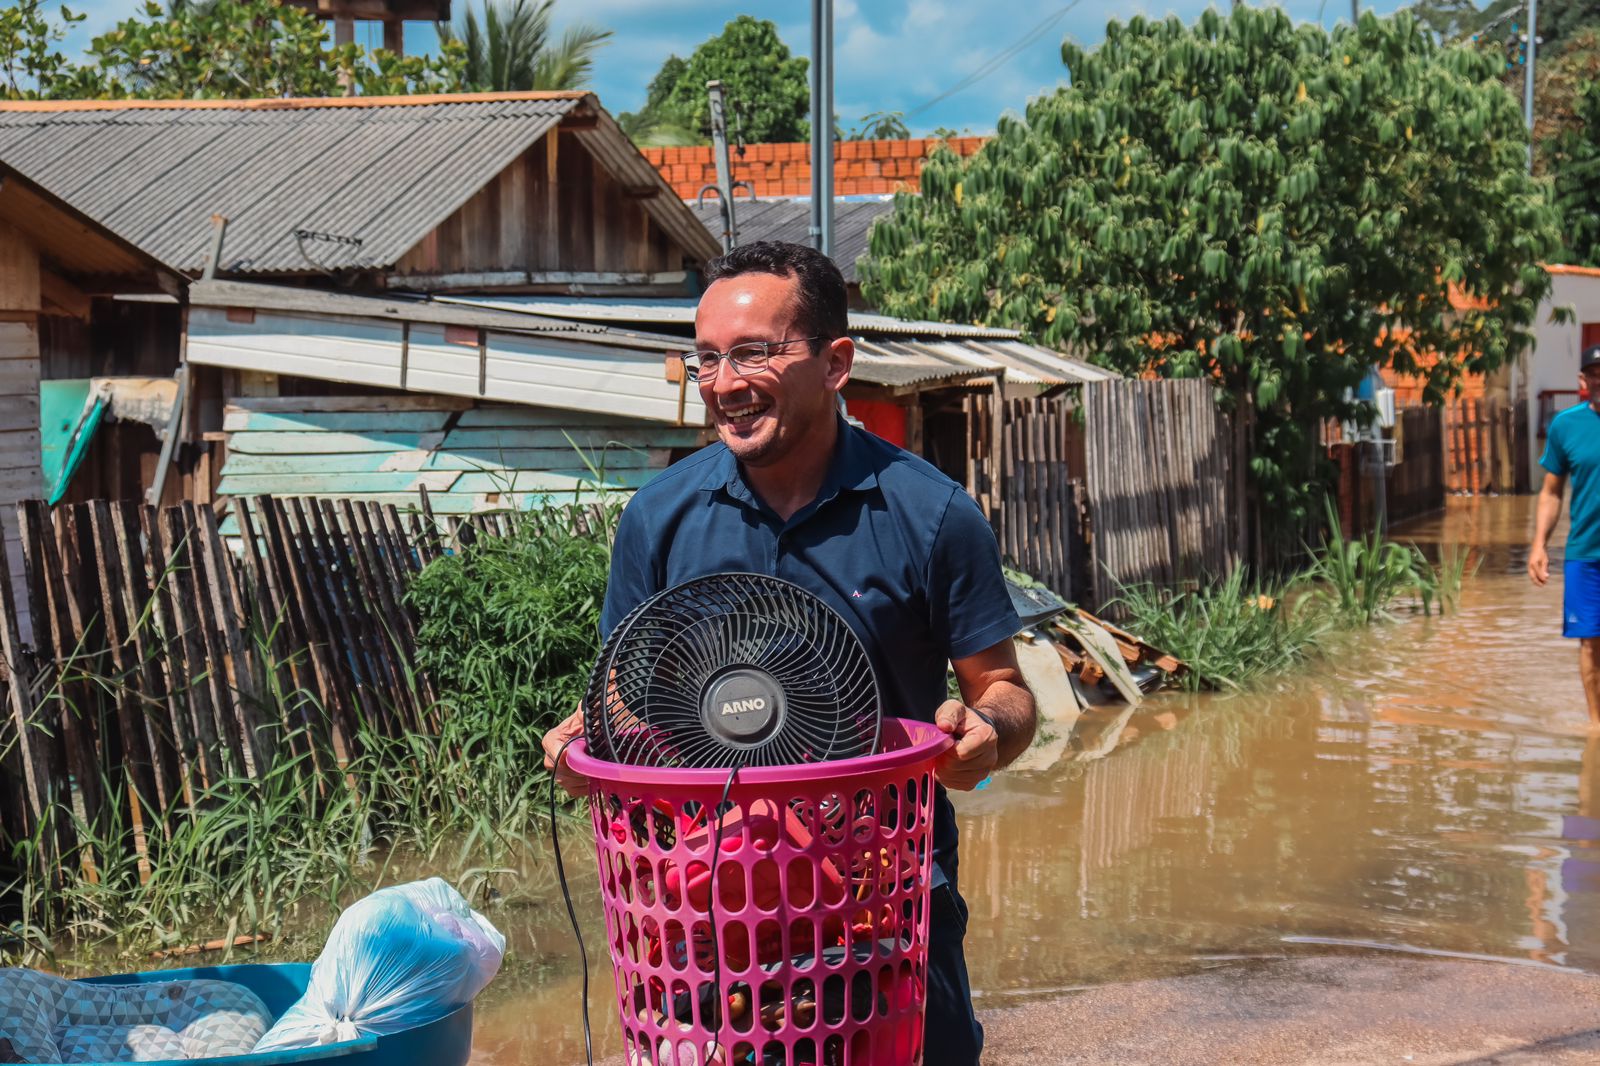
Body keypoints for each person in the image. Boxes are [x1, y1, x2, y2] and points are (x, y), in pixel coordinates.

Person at [541, 240, 1037, 1065]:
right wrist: (584, 736)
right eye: (706, 359)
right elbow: (626, 698)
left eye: (753, 353)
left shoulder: (931, 515)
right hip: (707, 911)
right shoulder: (659, 517)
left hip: (889, 904)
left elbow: (1010, 692)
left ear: (836, 362)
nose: (725, 383)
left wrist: (985, 733)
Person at [1530, 343, 1600, 730]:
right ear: (1583, 380)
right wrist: (1539, 544)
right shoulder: (1566, 426)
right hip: (1585, 553)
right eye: (1595, 372)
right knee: (1590, 642)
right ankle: (1596, 728)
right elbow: (1551, 492)